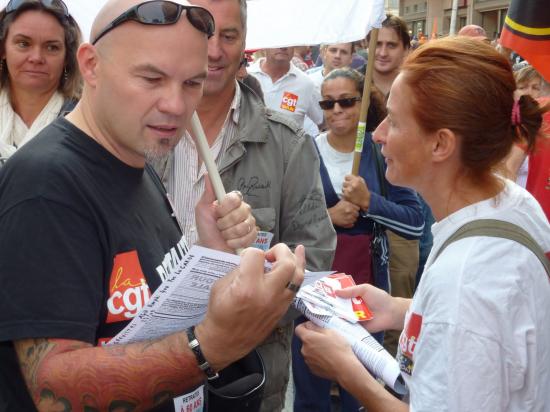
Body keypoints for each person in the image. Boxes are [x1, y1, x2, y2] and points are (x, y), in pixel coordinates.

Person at [0, 1, 305, 411]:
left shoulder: (134, 157)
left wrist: (212, 255)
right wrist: (213, 344)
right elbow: (53, 390)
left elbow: (146, 310)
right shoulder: (47, 185)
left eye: (191, 83)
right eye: (151, 78)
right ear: (90, 65)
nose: (176, 106)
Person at [296, 36, 550, 411]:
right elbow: (493, 324)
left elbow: (468, 309)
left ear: (440, 144)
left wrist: (349, 372)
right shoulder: (510, 201)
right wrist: (400, 309)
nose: (379, 134)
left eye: (395, 122)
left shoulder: (465, 279)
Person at [151, 0, 336, 410]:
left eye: (228, 35)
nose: (214, 50)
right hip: (150, 372)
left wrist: (258, 265)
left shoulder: (288, 144)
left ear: (245, 43)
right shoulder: (140, 131)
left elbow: (316, 263)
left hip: (242, 380)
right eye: (204, 33)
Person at [291, 68, 423, 412]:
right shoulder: (305, 150)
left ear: (362, 103)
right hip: (313, 290)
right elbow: (286, 216)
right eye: (327, 103)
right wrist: (328, 217)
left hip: (366, 289)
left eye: (347, 101)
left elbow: (415, 222)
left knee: (359, 389)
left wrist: (369, 202)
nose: (336, 110)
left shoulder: (382, 155)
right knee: (310, 392)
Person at [0, 0, 82, 160]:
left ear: (67, 57)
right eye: (23, 44)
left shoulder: (89, 125)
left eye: (51, 47)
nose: (36, 58)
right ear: (3, 50)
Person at [247, 46, 323, 129]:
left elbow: (324, 123)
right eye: (278, 40)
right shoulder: (246, 76)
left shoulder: (306, 84)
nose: (283, 47)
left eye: (288, 42)